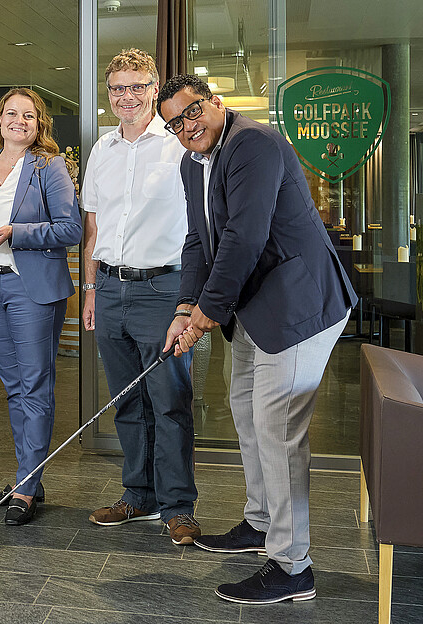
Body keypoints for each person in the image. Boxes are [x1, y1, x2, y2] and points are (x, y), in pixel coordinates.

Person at [158, 74, 357, 604]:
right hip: (254, 306)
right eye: (174, 123)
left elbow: (245, 237)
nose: (186, 126)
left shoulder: (254, 144)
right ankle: (260, 522)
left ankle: (293, 566)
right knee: (246, 411)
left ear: (215, 102)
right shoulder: (191, 163)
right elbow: (200, 239)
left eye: (192, 111)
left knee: (278, 428)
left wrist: (203, 316)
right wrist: (185, 306)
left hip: (297, 304)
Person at [79, 49, 200, 546]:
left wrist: (189, 302)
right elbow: (93, 226)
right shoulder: (101, 150)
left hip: (162, 289)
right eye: (117, 89)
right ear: (108, 95)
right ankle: (139, 495)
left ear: (154, 90)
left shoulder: (179, 147)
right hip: (109, 288)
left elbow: (199, 229)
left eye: (137, 87)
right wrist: (89, 291)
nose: (126, 96)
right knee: (127, 400)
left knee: (169, 401)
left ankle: (177, 505)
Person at [0, 87, 82, 526]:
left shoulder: (49, 167)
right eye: (12, 114)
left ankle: (26, 487)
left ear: (39, 123)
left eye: (28, 116)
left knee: (34, 387)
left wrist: (17, 232)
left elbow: (71, 228)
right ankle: (28, 477)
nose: (19, 121)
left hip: (31, 291)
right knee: (14, 388)